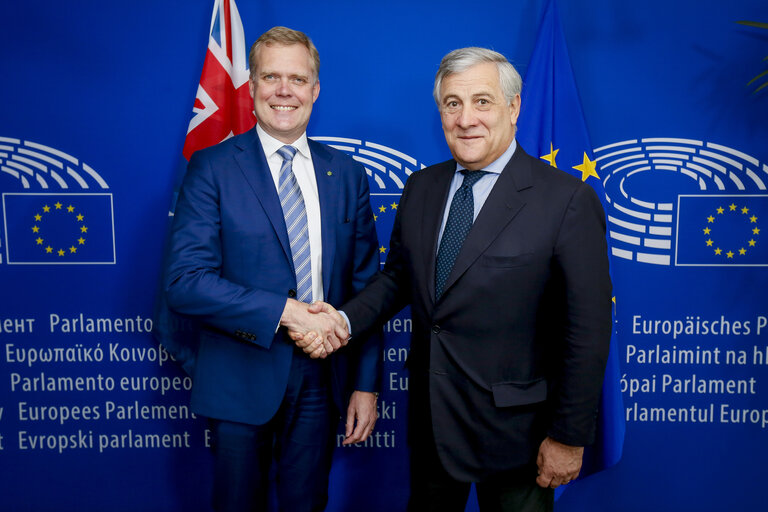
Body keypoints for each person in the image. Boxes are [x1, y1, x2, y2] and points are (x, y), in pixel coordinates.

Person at [295, 47, 612, 511]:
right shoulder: (423, 188)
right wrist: (340, 319)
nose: (466, 119)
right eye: (452, 103)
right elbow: (398, 279)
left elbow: (587, 333)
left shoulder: (566, 201)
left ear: (514, 106)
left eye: (482, 102)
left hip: (517, 436)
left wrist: (568, 437)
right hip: (433, 425)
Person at [162, 26, 381, 512]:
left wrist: (365, 383)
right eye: (272, 77)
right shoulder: (213, 167)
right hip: (240, 376)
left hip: (324, 380)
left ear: (315, 89)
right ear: (253, 86)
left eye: (298, 79)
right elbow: (185, 283)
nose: (285, 90)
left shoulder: (345, 173)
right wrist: (287, 312)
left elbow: (366, 288)